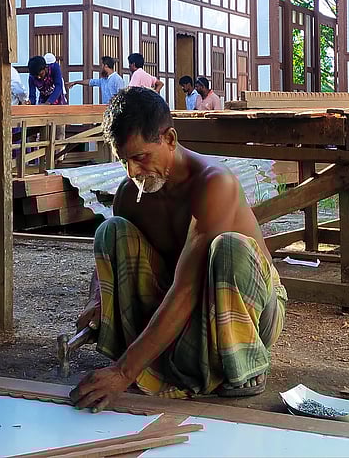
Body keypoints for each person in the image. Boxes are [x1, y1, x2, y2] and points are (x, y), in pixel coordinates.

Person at [68, 87, 286, 411]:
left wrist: (124, 372)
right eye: (124, 161)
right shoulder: (130, 194)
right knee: (111, 231)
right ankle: (163, 358)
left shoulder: (214, 183)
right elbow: (111, 266)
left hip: (252, 312)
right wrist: (96, 300)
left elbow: (187, 288)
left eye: (141, 157)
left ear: (169, 139)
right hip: (185, 304)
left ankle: (243, 366)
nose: (133, 172)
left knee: (229, 248)